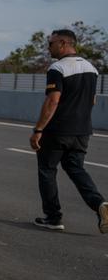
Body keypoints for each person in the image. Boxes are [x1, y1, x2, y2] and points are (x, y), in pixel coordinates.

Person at [28, 29, 107, 232]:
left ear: (63, 43)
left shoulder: (58, 67)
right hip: (82, 131)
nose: (48, 47)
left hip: (58, 131)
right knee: (76, 168)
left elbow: (53, 100)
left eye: (51, 43)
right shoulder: (91, 68)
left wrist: (38, 129)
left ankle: (53, 217)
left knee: (47, 171)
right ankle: (99, 204)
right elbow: (92, 100)